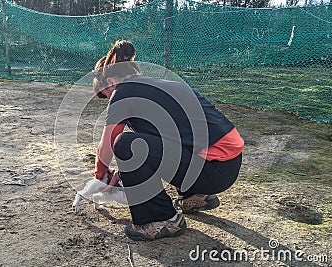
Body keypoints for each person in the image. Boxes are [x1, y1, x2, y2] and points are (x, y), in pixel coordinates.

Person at [92, 40, 244, 241]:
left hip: (212, 170)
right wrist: (125, 173)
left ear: (111, 82)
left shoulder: (123, 92)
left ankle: (162, 219)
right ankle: (194, 195)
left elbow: (108, 147)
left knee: (124, 144)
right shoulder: (158, 86)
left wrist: (99, 175)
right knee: (141, 143)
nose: (110, 100)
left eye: (107, 95)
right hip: (227, 165)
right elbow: (163, 141)